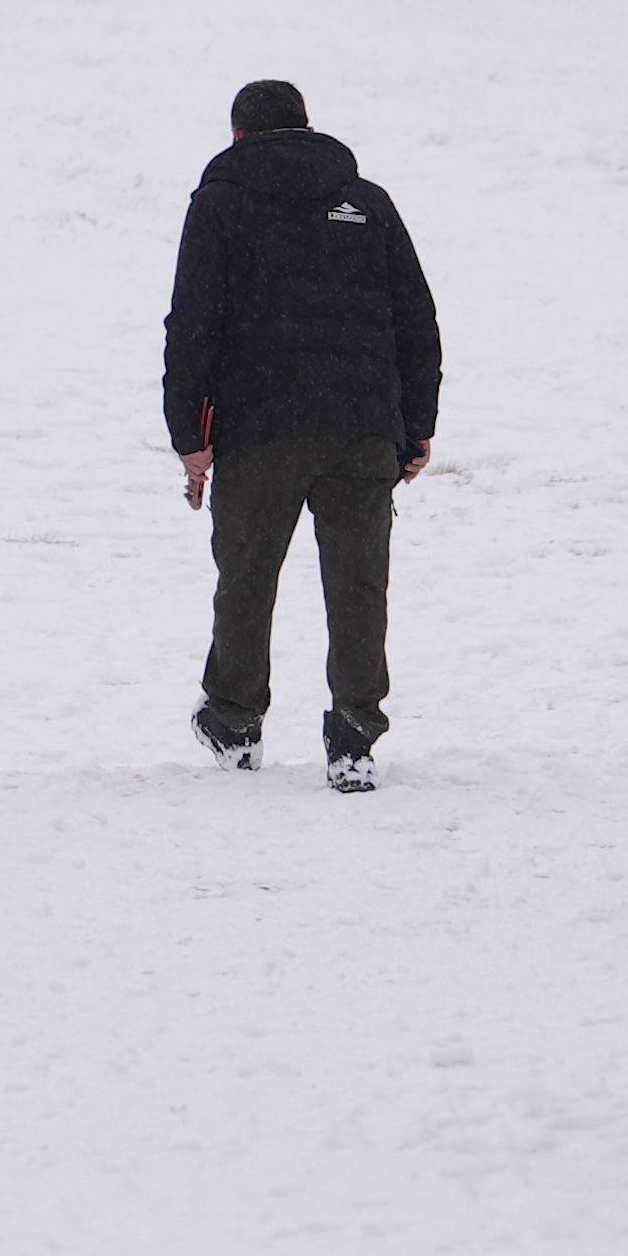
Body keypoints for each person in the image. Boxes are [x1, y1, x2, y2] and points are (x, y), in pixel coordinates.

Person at [161, 80, 441, 791]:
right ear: (307, 128)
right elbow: (416, 320)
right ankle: (354, 736)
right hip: (360, 428)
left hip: (261, 430)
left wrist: (189, 434)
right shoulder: (368, 203)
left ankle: (234, 722)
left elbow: (192, 323)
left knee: (246, 579)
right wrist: (415, 428)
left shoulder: (220, 204)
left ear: (238, 135)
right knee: (358, 585)